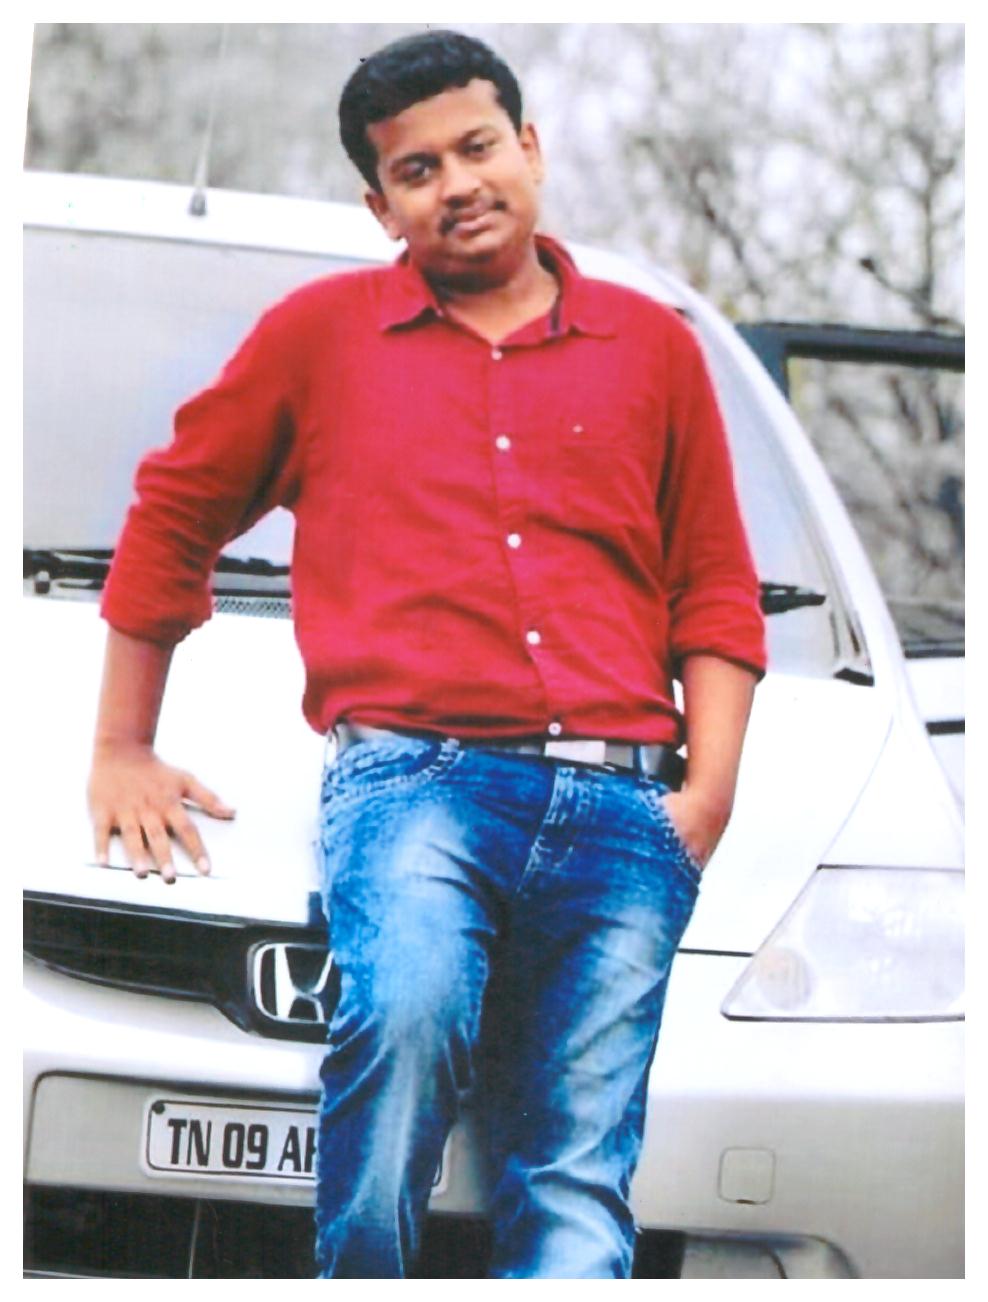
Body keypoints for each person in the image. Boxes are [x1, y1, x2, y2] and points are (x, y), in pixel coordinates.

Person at [88, 29, 766, 1279]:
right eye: (416, 169)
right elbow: (176, 508)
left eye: (476, 147)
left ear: (529, 147)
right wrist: (123, 743)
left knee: (575, 1166)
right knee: (401, 1033)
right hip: (415, 785)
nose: (456, 183)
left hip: (626, 810)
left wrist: (706, 799)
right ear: (379, 206)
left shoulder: (654, 349)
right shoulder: (317, 339)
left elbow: (715, 583)